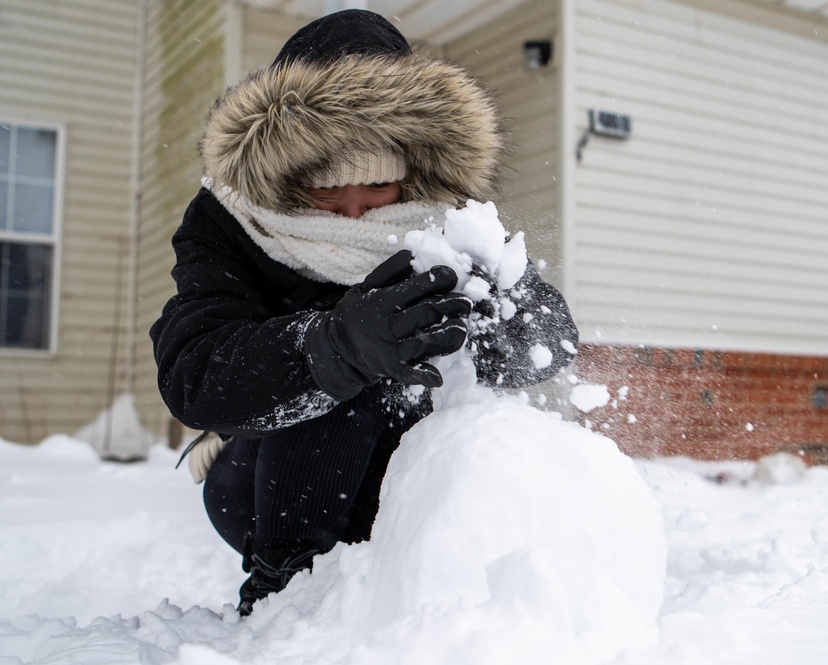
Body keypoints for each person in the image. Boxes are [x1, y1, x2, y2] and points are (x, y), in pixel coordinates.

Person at [149, 9, 578, 616]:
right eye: (327, 190)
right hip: (262, 483)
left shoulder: (444, 221)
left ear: (412, 173)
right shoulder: (231, 222)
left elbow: (552, 343)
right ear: (286, 176)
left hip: (410, 487)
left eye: (377, 188)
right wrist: (333, 347)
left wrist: (496, 316)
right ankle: (286, 594)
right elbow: (194, 372)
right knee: (362, 369)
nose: (353, 211)